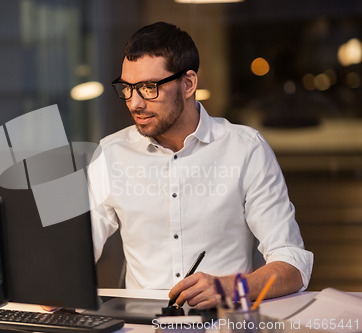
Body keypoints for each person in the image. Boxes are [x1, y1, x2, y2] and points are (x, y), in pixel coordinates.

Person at [88, 21, 313, 310]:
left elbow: (292, 263)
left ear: (189, 84)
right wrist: (55, 287)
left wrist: (229, 287)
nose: (134, 103)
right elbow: (78, 249)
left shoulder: (245, 148)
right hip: (141, 325)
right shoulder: (111, 153)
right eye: (128, 88)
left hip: (225, 320)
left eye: (148, 87)